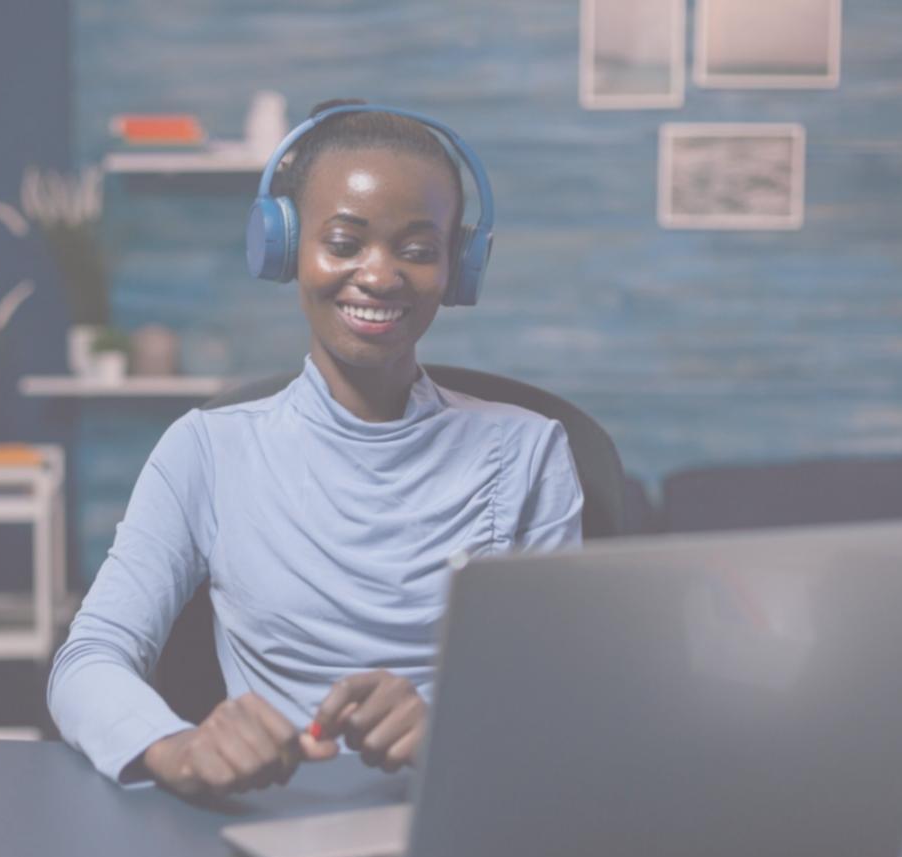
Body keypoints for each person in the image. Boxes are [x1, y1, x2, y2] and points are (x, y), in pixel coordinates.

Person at [48, 100, 584, 799]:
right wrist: (177, 748)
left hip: (460, 828)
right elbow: (88, 660)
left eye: (419, 250)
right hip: (259, 835)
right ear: (284, 250)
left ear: (459, 269)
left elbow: (563, 699)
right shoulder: (207, 451)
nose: (380, 275)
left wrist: (456, 729)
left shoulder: (530, 452)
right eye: (344, 241)